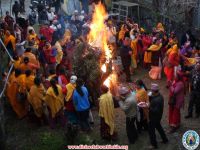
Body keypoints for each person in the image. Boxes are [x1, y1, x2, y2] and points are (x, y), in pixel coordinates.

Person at [148, 83, 168, 149]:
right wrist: (150, 97)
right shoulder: (160, 96)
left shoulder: (157, 100)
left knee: (151, 131)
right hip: (158, 117)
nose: (151, 91)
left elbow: (155, 110)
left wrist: (148, 107)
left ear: (154, 91)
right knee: (159, 127)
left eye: (151, 90)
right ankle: (165, 139)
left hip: (154, 117)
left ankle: (154, 145)